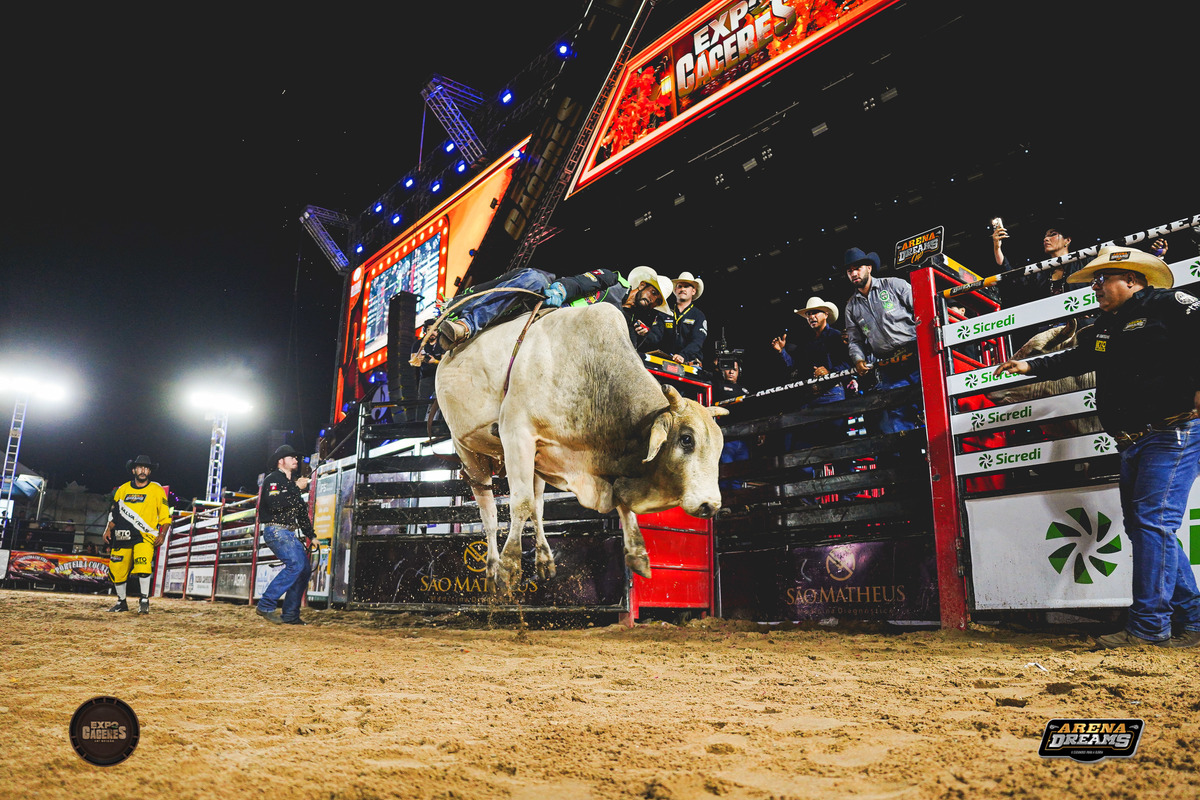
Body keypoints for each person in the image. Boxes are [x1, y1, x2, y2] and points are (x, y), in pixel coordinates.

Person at [993, 246, 1200, 649]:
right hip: (1133, 440)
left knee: (1152, 523)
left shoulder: (1167, 304)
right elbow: (1078, 358)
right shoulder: (1105, 327)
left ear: (1132, 279)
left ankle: (1149, 628)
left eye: (1103, 278)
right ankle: (1192, 619)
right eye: (1094, 280)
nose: (1095, 286)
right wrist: (1030, 365)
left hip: (1171, 430)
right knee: (1147, 526)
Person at [437, 266, 672, 353]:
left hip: (575, 346)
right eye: (652, 292)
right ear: (642, 285)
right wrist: (561, 289)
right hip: (555, 311)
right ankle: (466, 325)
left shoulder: (632, 324)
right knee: (534, 278)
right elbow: (581, 283)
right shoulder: (613, 280)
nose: (652, 299)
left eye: (657, 299)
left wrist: (640, 339)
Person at [842, 248, 921, 434]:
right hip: (889, 364)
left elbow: (922, 307)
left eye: (858, 268)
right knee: (899, 413)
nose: (854, 273)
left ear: (869, 268)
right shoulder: (851, 307)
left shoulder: (893, 285)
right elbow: (855, 340)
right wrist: (858, 359)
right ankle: (911, 450)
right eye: (850, 271)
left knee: (931, 401)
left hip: (916, 354)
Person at [103, 455, 171, 614]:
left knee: (143, 564)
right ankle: (121, 602)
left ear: (149, 471)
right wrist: (108, 529)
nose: (143, 471)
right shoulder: (123, 489)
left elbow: (165, 515)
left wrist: (162, 534)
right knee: (117, 568)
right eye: (140, 467)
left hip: (145, 536)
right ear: (133, 470)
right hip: (121, 535)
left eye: (146, 468)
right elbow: (114, 513)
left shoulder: (157, 490)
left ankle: (144, 600)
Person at [255, 445, 315, 625]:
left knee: (303, 570)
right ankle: (266, 604)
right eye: (291, 457)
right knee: (296, 565)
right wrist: (296, 487)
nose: (296, 460)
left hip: (286, 532)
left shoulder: (289, 484)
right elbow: (274, 503)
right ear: (280, 461)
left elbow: (301, 512)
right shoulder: (273, 479)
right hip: (276, 530)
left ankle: (290, 615)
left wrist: (311, 535)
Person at [660, 272, 708, 365]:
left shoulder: (698, 315)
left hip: (690, 363)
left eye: (686, 286)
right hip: (666, 361)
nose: (682, 289)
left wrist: (683, 355)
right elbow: (655, 337)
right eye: (680, 286)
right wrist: (646, 332)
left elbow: (697, 341)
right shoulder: (665, 312)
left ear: (693, 291)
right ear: (675, 290)